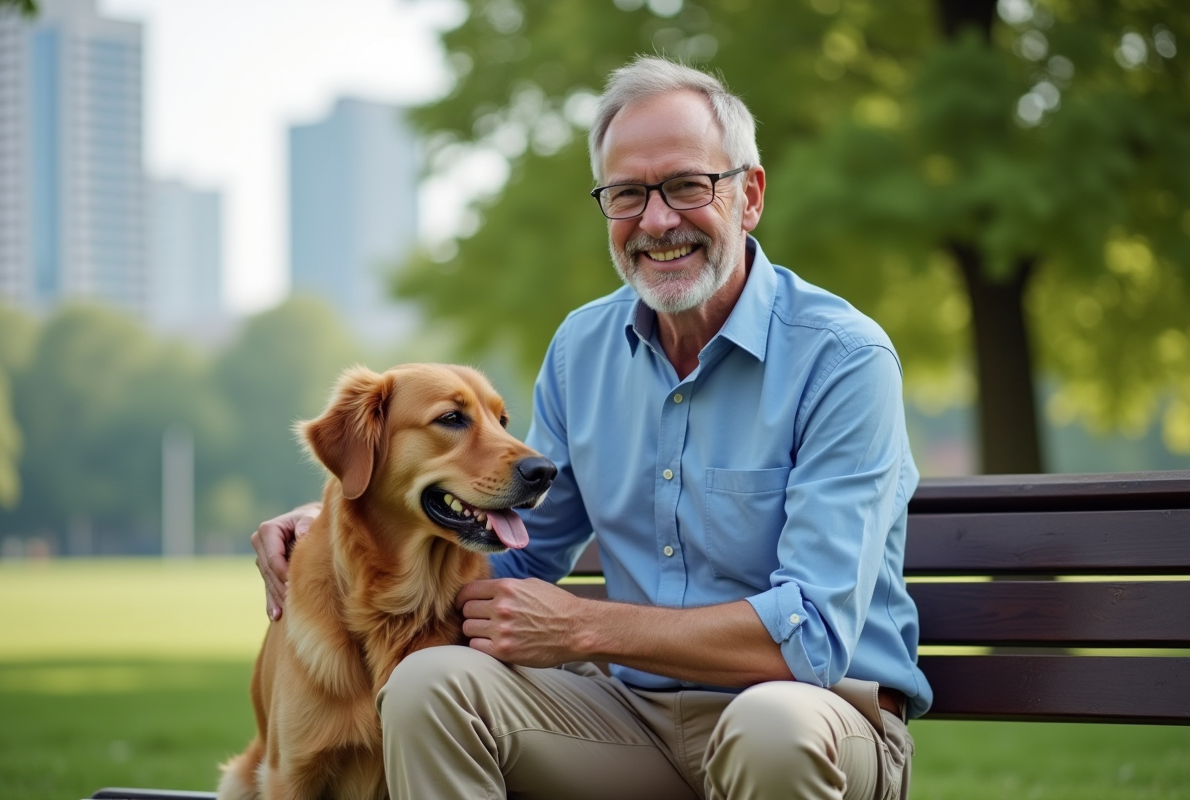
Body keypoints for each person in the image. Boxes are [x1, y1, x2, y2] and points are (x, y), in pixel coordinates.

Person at [254, 56, 932, 800]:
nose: (657, 221)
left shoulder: (842, 358)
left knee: (769, 727)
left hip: (820, 719)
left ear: (749, 196)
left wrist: (585, 629)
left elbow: (812, 638)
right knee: (431, 684)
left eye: (686, 185)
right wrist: (338, 525)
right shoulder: (583, 350)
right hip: (629, 721)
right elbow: (511, 557)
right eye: (627, 195)